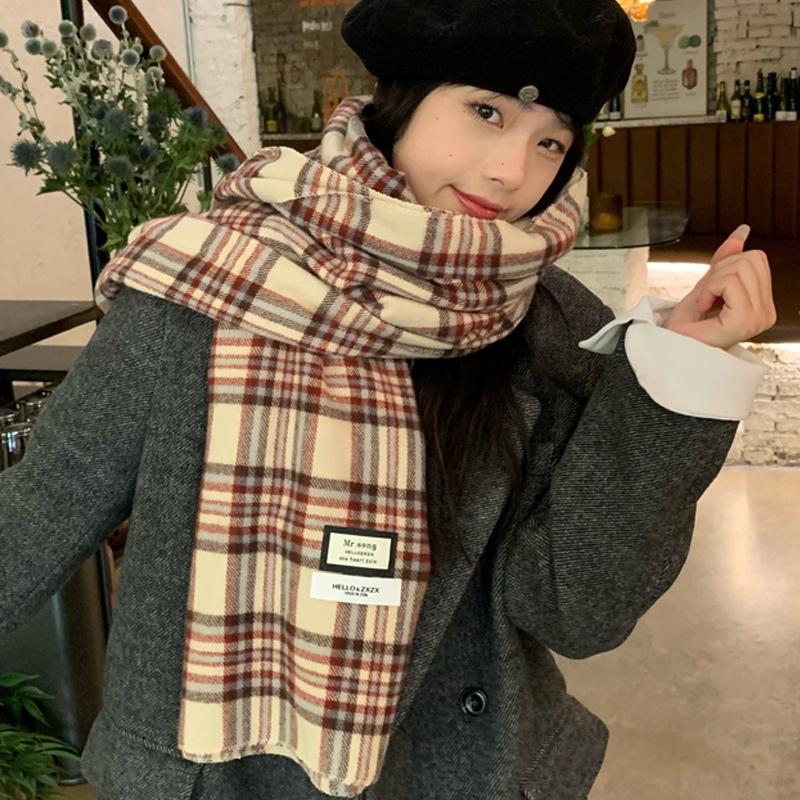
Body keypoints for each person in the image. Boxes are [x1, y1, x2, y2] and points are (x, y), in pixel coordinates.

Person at [0, 0, 776, 798]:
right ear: (401, 100)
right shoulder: (205, 286)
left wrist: (678, 378)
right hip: (219, 771)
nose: (511, 172)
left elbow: (573, 612)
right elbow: (44, 510)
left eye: (551, 141)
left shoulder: (548, 325)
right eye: (486, 112)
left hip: (464, 774)